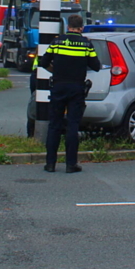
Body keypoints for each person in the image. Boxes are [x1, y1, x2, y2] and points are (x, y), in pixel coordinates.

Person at [38, 14, 101, 173]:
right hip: (76, 88)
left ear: (68, 27)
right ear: (82, 28)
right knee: (72, 125)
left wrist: (56, 71)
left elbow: (43, 62)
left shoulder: (57, 41)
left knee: (54, 125)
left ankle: (50, 163)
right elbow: (96, 66)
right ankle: (70, 164)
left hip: (58, 86)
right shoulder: (86, 44)